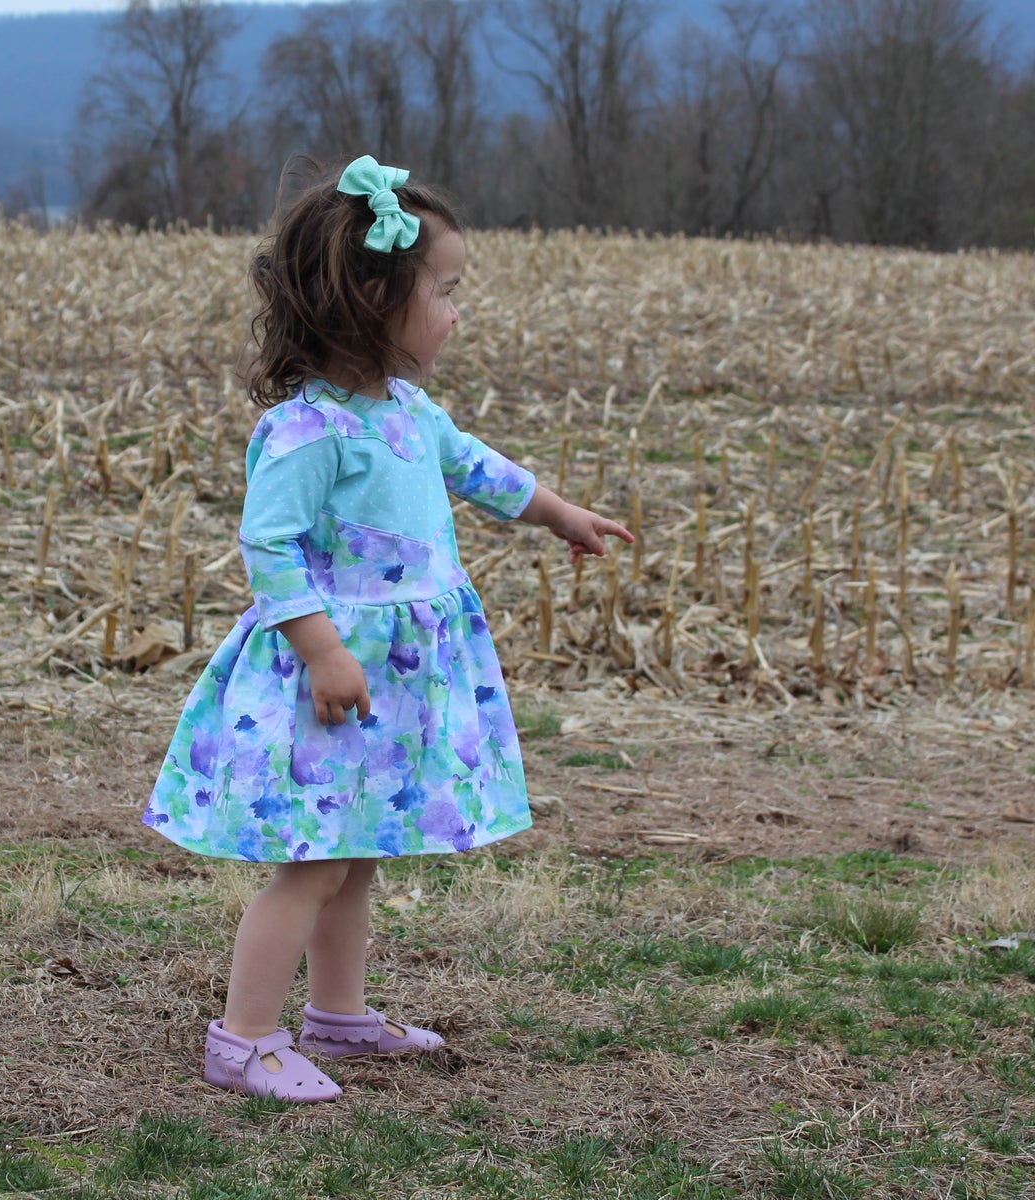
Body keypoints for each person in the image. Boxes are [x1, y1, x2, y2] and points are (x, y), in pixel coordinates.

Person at [142, 155, 633, 1102]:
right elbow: (270, 547)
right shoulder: (307, 432)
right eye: (444, 292)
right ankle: (243, 1037)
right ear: (373, 297)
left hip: (395, 676)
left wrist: (561, 513)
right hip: (334, 681)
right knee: (314, 862)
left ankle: (337, 1016)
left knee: (358, 852)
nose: (456, 313)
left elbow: (482, 470)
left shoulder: (408, 412)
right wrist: (322, 650)